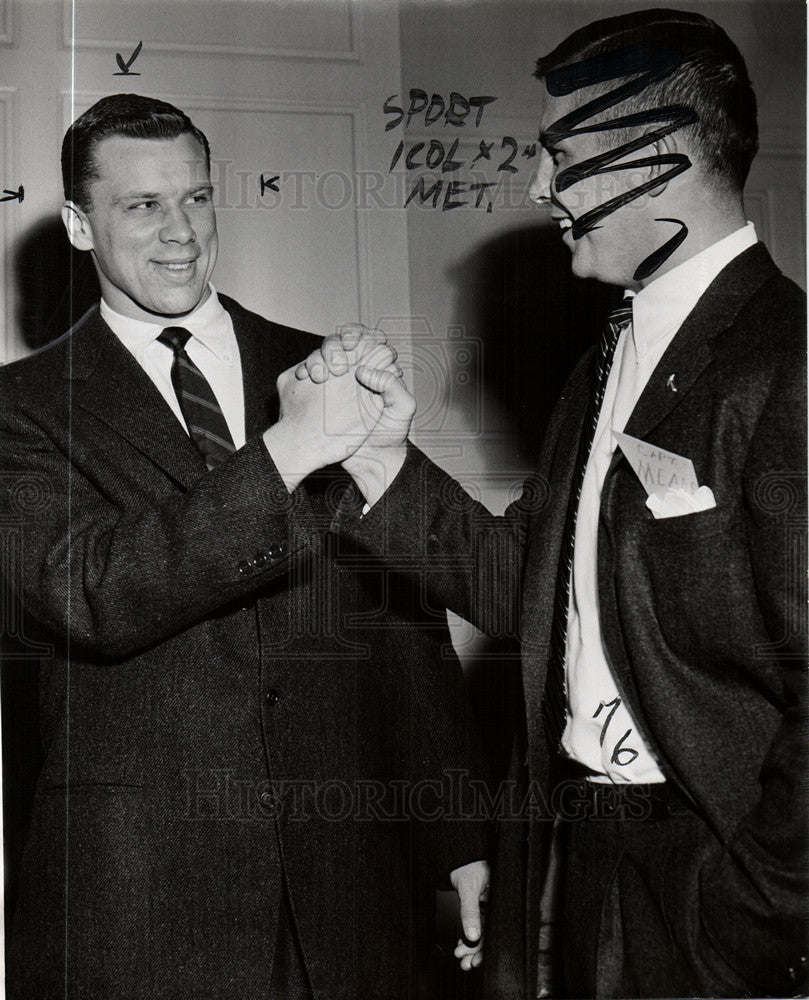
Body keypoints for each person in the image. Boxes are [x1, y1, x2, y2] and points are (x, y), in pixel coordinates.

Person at [296, 9, 808, 998]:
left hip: (715, 903)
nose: (538, 190)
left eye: (559, 156)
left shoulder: (784, 364)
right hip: (588, 874)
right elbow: (525, 589)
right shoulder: (600, 367)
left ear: (653, 157)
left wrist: (754, 920)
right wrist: (377, 458)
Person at [0, 93, 491, 1000]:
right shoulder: (22, 409)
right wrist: (287, 451)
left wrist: (454, 834)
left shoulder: (317, 367)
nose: (179, 231)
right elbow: (90, 593)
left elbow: (401, 625)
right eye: (141, 206)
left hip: (350, 886)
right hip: (140, 902)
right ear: (78, 225)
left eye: (195, 197)